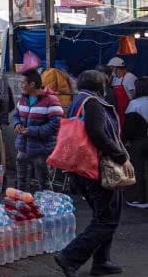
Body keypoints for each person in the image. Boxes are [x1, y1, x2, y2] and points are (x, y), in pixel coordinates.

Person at [55, 70, 135, 277]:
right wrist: (120, 156)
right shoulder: (92, 103)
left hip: (80, 168)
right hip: (95, 169)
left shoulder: (77, 101)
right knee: (107, 219)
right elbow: (98, 133)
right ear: (100, 86)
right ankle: (70, 256)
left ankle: (102, 262)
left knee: (105, 215)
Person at [13, 69, 63, 192]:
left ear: (32, 84)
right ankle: (22, 207)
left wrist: (32, 131)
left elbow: (56, 124)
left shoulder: (51, 100)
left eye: (23, 83)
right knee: (21, 184)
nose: (21, 85)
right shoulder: (23, 99)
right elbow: (16, 115)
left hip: (41, 149)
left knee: (44, 184)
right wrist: (17, 124)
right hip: (23, 148)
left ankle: (47, 209)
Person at [124, 77, 148, 207]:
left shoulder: (134, 104)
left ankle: (141, 199)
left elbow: (130, 126)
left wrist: (125, 140)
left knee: (138, 170)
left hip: (138, 142)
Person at [107, 57, 137, 130]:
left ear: (116, 68)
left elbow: (134, 96)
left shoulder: (129, 77)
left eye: (111, 68)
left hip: (128, 110)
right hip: (118, 110)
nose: (110, 71)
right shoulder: (114, 78)